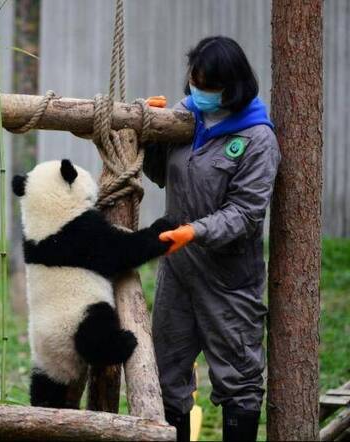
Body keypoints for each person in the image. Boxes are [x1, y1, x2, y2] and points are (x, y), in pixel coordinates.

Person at [143, 36, 281, 442]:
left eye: (208, 85)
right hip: (179, 271)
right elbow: (161, 174)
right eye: (194, 81)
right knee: (168, 372)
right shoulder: (188, 118)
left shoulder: (257, 140)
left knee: (238, 377)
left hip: (229, 277)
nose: (197, 91)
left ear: (232, 86)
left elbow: (246, 212)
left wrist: (195, 231)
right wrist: (149, 131)